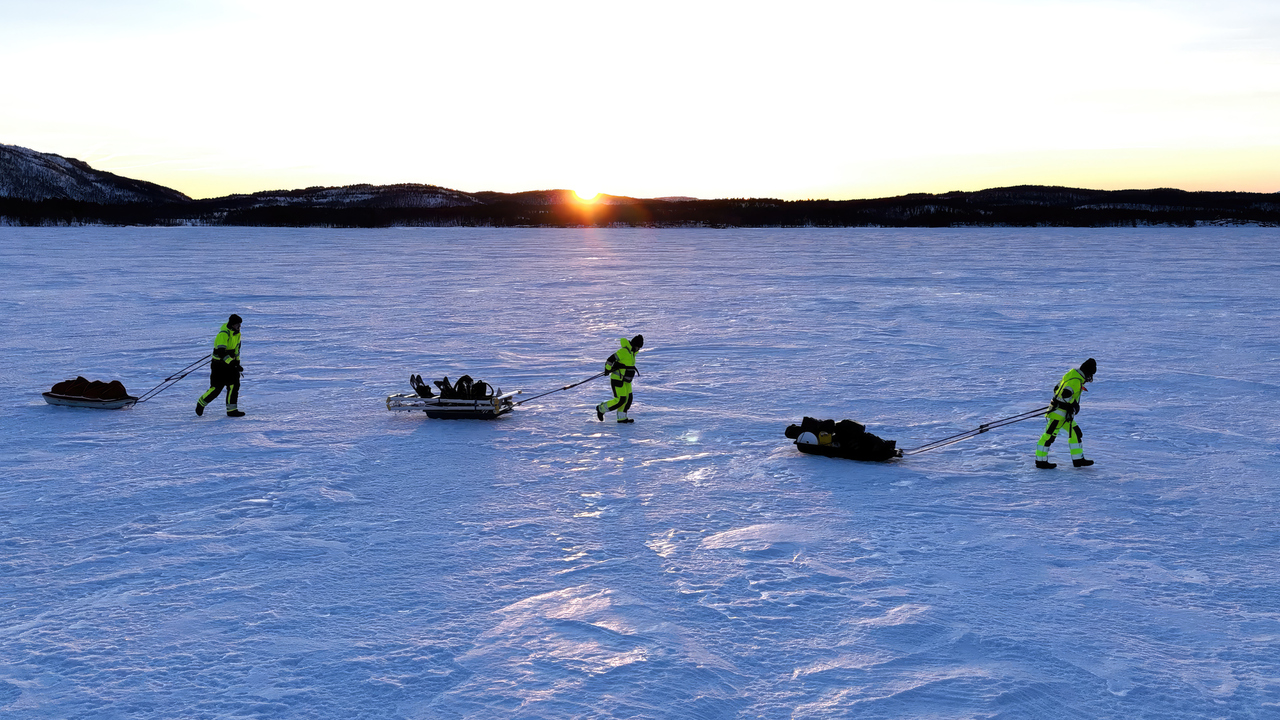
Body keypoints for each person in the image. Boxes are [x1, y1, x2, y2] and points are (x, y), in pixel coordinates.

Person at [1035, 357, 1096, 468]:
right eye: (1090, 374)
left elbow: (1056, 388)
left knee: (1075, 433)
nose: (1089, 378)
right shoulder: (1075, 380)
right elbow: (1065, 394)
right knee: (1048, 437)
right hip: (1058, 414)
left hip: (1064, 415)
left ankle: (1078, 459)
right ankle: (1041, 461)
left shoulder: (1071, 376)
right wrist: (1073, 404)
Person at [196, 314, 245, 417]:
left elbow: (237, 350)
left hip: (230, 364)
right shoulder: (224, 334)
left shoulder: (237, 334)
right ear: (232, 324)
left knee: (234, 385)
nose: (239, 326)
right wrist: (232, 362)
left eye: (240, 324)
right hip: (219, 365)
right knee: (216, 388)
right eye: (237, 324)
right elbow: (221, 352)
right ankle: (201, 403)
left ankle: (232, 410)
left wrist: (237, 363)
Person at [596, 334, 643, 423]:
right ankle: (601, 409)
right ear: (633, 344)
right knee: (620, 400)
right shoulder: (623, 351)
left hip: (626, 380)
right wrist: (607, 369)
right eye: (638, 347)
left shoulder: (632, 353)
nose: (638, 349)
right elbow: (610, 360)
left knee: (628, 399)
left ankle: (622, 418)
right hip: (617, 379)